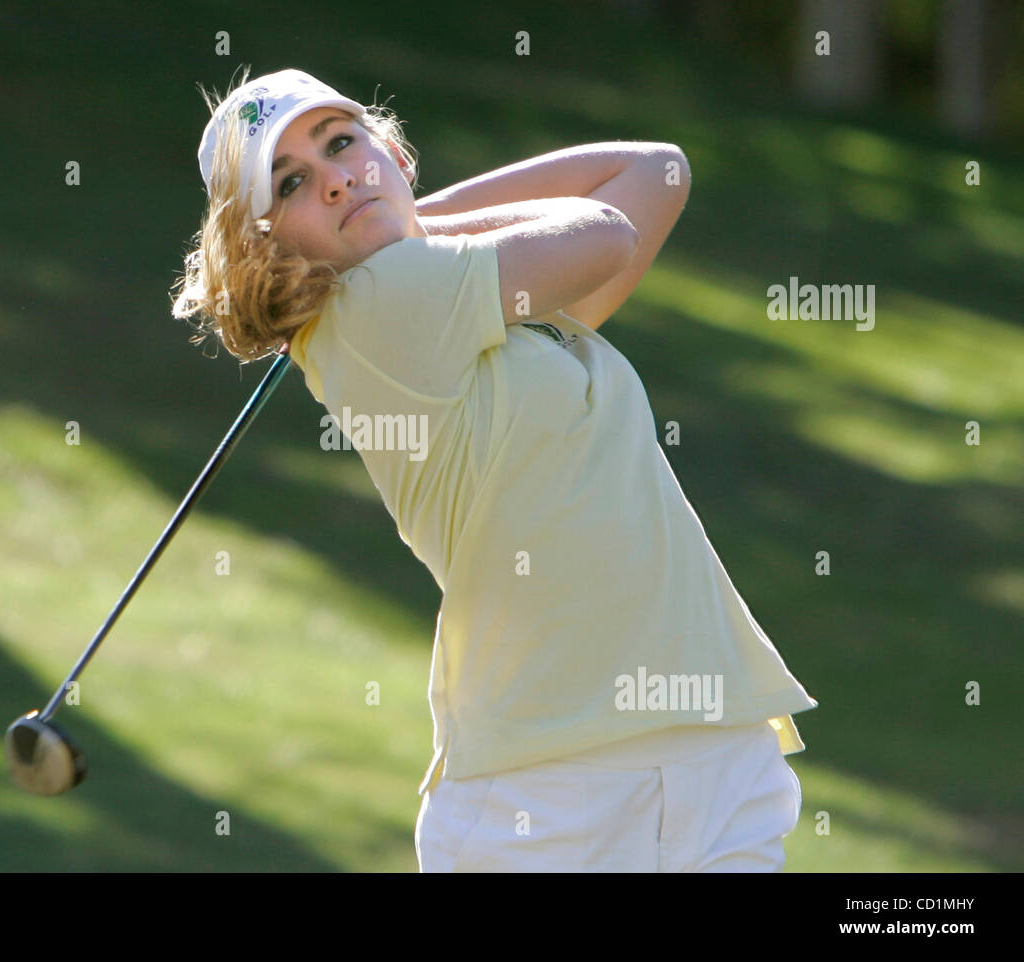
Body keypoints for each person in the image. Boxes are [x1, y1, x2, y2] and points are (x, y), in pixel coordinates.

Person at [171, 66, 818, 872]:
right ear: (266, 243)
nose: (335, 179)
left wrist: (405, 215)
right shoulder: (377, 304)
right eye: (293, 183)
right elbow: (608, 234)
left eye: (342, 143)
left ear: (394, 153)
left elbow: (658, 171)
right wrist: (399, 223)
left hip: (712, 751)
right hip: (549, 799)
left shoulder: (472, 301)